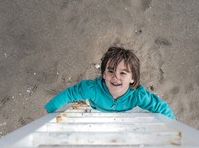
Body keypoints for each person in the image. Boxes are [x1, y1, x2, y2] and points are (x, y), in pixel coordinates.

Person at [44, 46, 175, 119]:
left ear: (133, 78)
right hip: (96, 109)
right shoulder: (92, 89)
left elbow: (159, 107)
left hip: (125, 112)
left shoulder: (138, 96)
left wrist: (173, 125)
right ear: (103, 74)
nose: (115, 77)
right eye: (111, 71)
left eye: (123, 73)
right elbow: (69, 94)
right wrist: (49, 109)